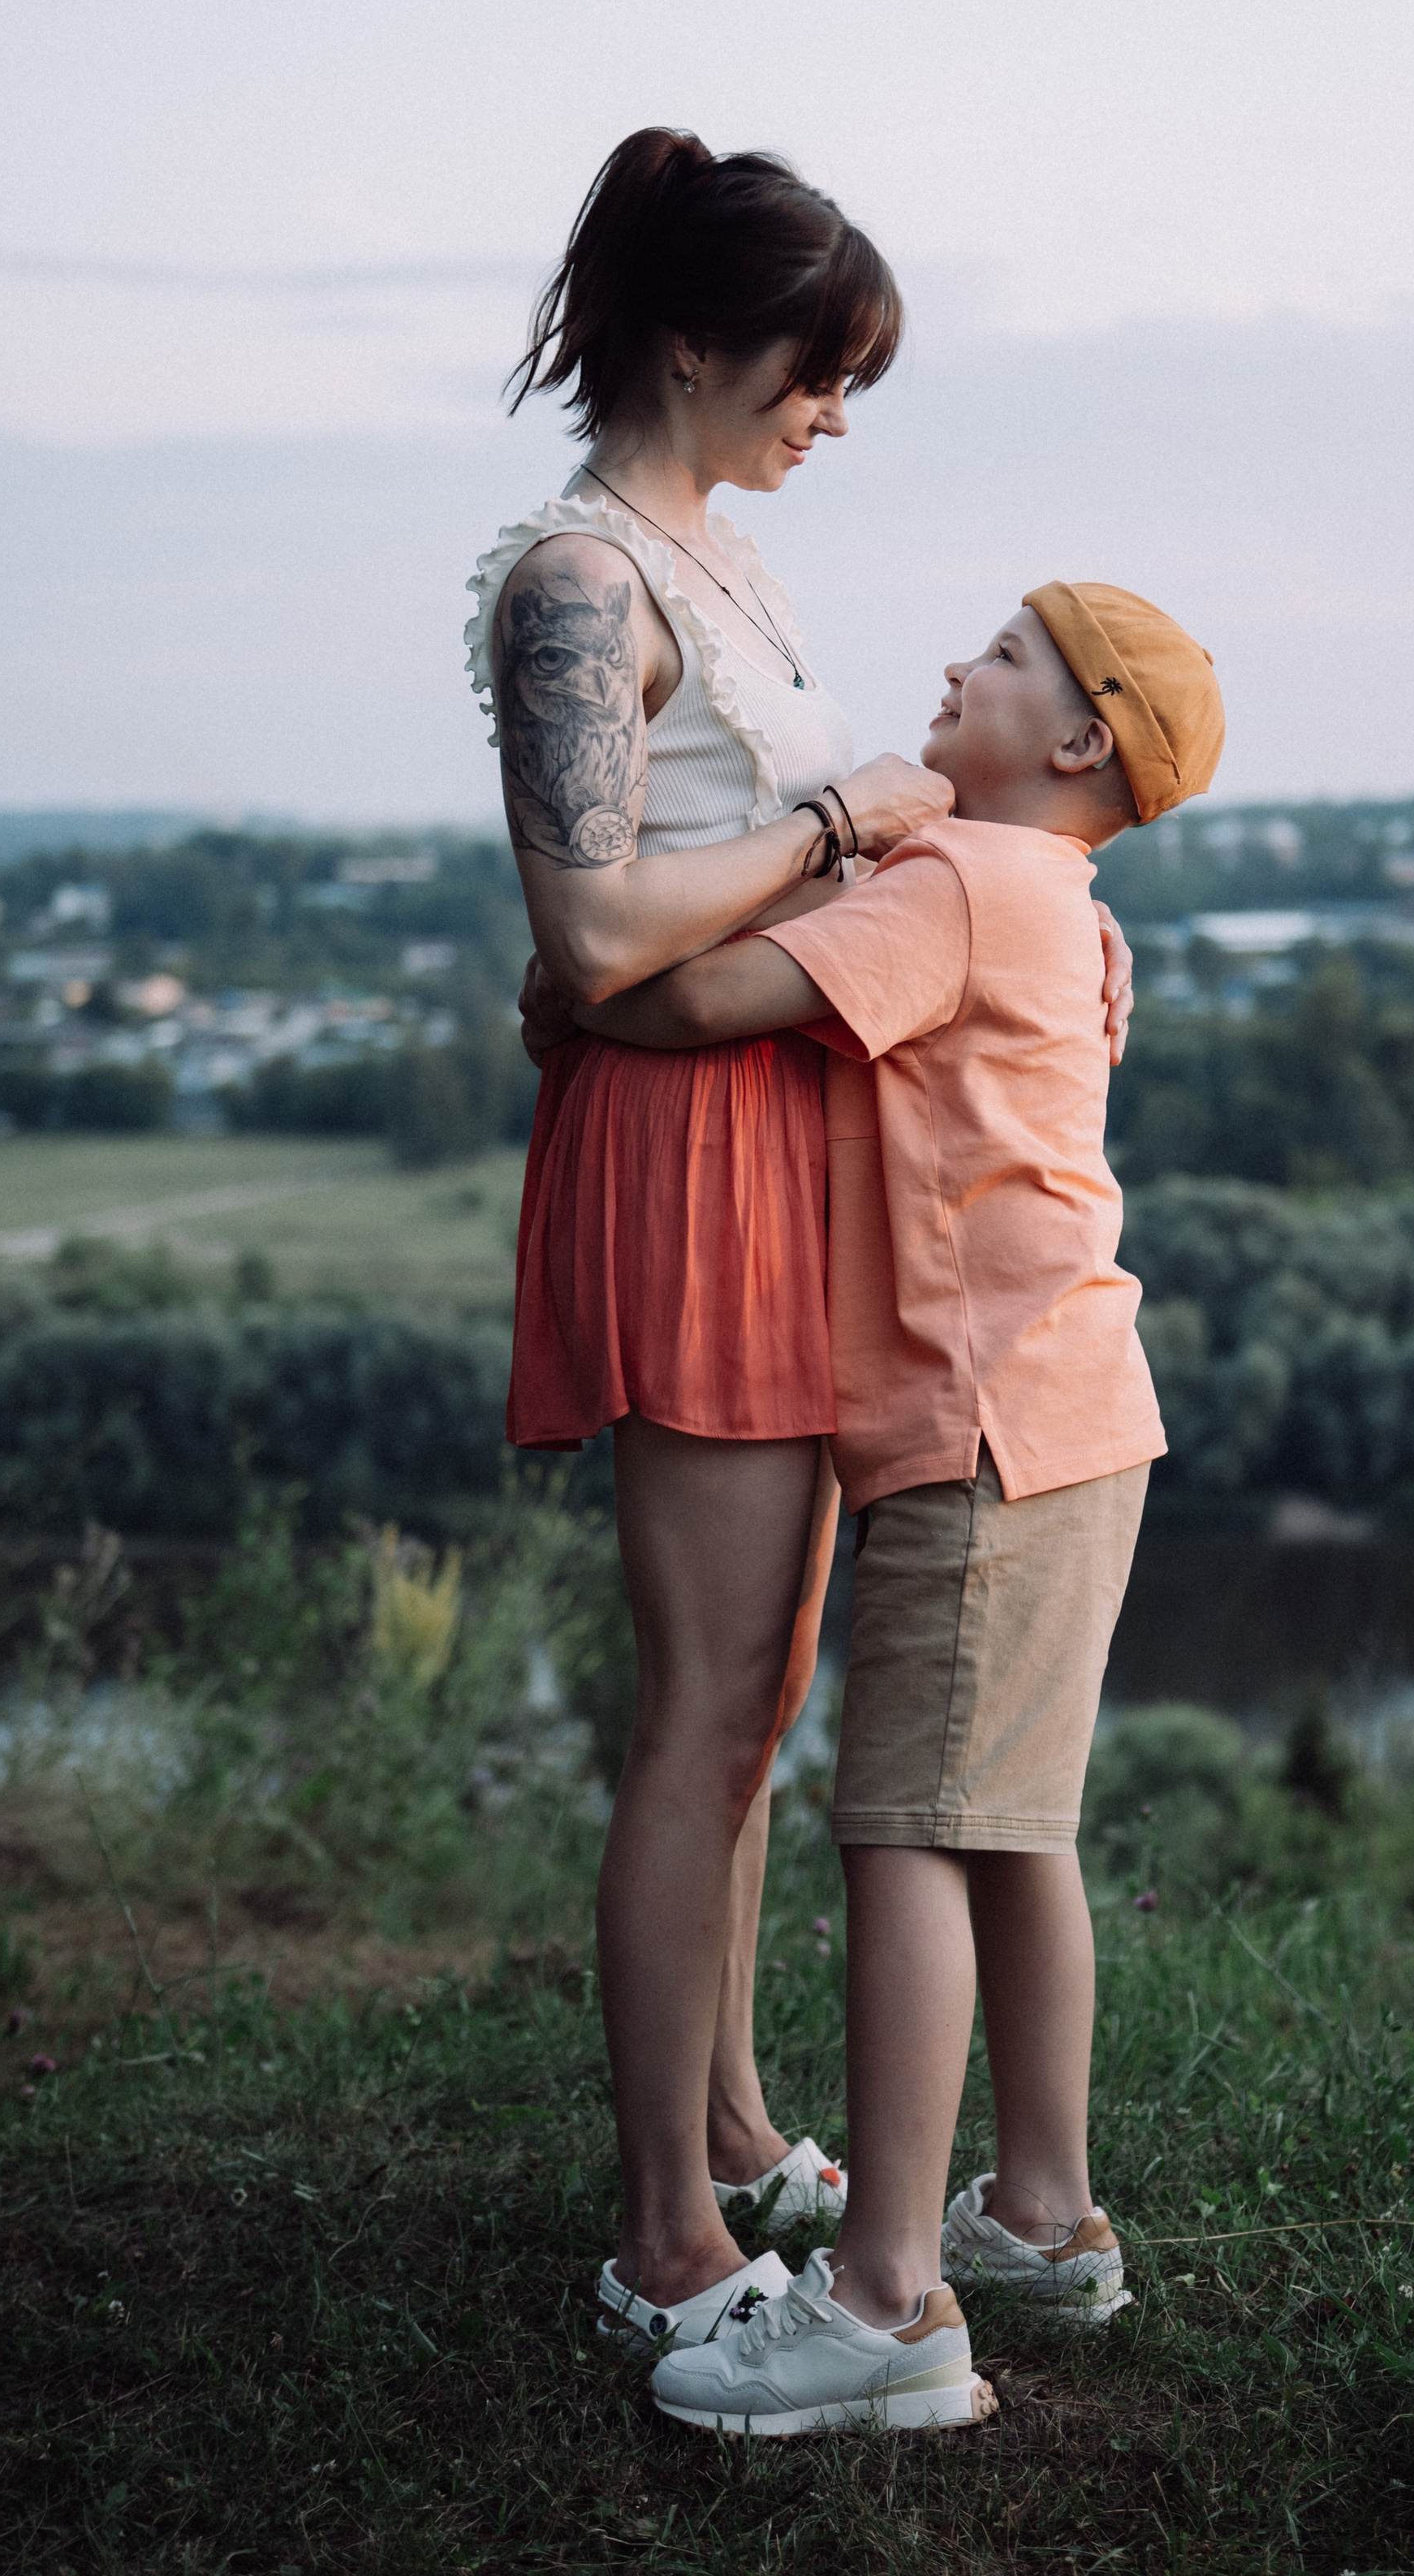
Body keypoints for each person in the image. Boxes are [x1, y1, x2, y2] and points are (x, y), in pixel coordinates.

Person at [556, 584, 1225, 2432]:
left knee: (909, 1830)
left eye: (1001, 658)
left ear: (1077, 738)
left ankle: (883, 2306)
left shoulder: (950, 890)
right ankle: (1041, 2214)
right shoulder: (1060, 907)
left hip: (979, 1428)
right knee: (1016, 1826)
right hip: (1085, 1414)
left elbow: (691, 993)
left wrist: (576, 971)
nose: (951, 668)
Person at [468, 126, 958, 2347]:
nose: (831, 413)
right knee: (703, 1711)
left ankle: (743, 2127)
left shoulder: (718, 563)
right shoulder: (579, 584)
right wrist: (848, 823)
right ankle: (660, 2229)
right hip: (680, 1158)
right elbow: (588, 928)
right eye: (814, 367)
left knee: (759, 1697)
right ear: (694, 338)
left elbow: (686, 892)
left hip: (770, 1129)